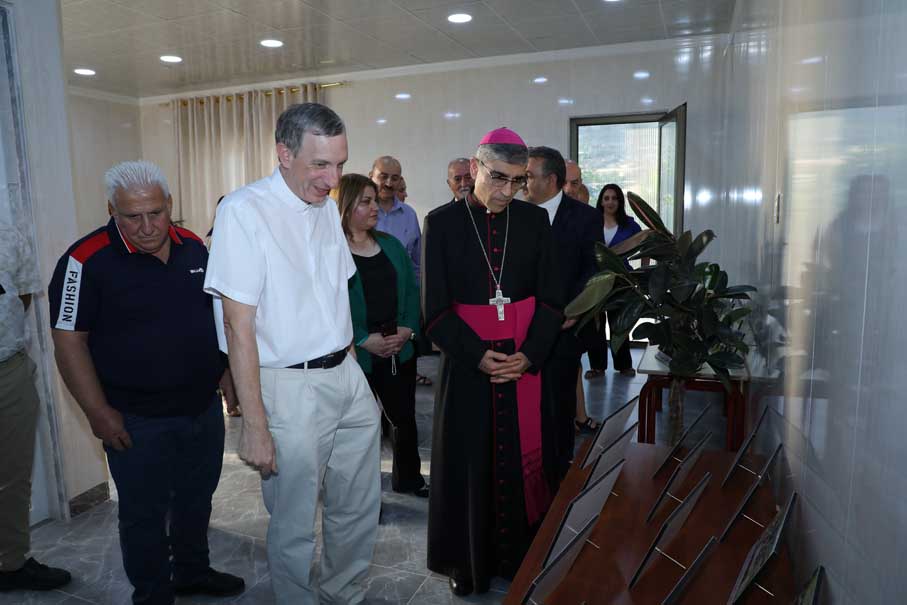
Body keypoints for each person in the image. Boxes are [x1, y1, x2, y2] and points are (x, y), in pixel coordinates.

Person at [204, 103, 380, 605]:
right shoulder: (243, 211)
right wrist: (254, 424)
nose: (333, 179)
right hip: (287, 385)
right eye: (320, 165)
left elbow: (337, 294)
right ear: (284, 154)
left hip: (344, 375)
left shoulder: (323, 206)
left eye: (340, 164)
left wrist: (353, 371)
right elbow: (237, 326)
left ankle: (343, 595)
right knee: (295, 520)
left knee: (358, 506)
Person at [49, 161, 244, 605]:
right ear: (111, 210)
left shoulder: (194, 247)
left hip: (200, 407)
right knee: (144, 514)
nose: (147, 226)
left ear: (169, 204)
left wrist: (226, 372)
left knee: (197, 498)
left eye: (155, 213)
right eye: (132, 216)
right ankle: (153, 594)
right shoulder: (83, 261)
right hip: (134, 418)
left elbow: (212, 319)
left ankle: (192, 572)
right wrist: (98, 412)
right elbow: (69, 341)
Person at [423, 127, 564, 596]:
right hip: (468, 368)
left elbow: (551, 300)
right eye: (498, 178)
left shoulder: (534, 221)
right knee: (470, 464)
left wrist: (529, 355)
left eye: (518, 181)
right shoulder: (442, 223)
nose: (508, 191)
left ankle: (523, 555)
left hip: (523, 364)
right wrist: (478, 356)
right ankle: (468, 563)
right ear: (474, 167)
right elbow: (434, 312)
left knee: (523, 463)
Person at [339, 174, 427, 497]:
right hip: (356, 355)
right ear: (346, 206)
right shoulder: (332, 251)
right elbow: (329, 307)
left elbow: (411, 290)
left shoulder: (390, 245)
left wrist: (408, 329)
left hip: (396, 348)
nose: (376, 207)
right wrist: (362, 339)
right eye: (366, 201)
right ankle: (361, 497)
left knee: (403, 419)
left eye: (375, 200)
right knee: (359, 429)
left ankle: (409, 479)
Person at [524, 146, 603, 479]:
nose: (523, 183)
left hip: (565, 328)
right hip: (523, 328)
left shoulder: (585, 217)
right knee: (526, 405)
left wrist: (573, 309)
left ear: (551, 179)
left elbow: (593, 269)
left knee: (559, 403)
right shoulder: (516, 214)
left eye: (528, 176)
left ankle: (559, 471)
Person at [0, 227, 72, 593]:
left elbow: (22, 297)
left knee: (12, 473)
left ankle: (9, 563)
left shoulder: (9, 236)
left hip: (7, 369)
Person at [369, 156, 432, 387]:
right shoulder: (361, 212)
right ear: (371, 176)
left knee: (400, 381)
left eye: (394, 178)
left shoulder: (408, 215)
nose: (388, 183)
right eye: (383, 176)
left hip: (401, 308)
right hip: (368, 307)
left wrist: (417, 307)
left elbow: (417, 265)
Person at [583, 183, 641, 378]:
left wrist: (641, 271)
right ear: (601, 201)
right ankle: (597, 367)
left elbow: (646, 242)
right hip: (595, 280)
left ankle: (624, 365)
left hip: (621, 280)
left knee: (619, 323)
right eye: (606, 198)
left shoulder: (629, 224)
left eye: (614, 198)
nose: (610, 202)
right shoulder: (591, 221)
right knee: (596, 325)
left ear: (620, 201)